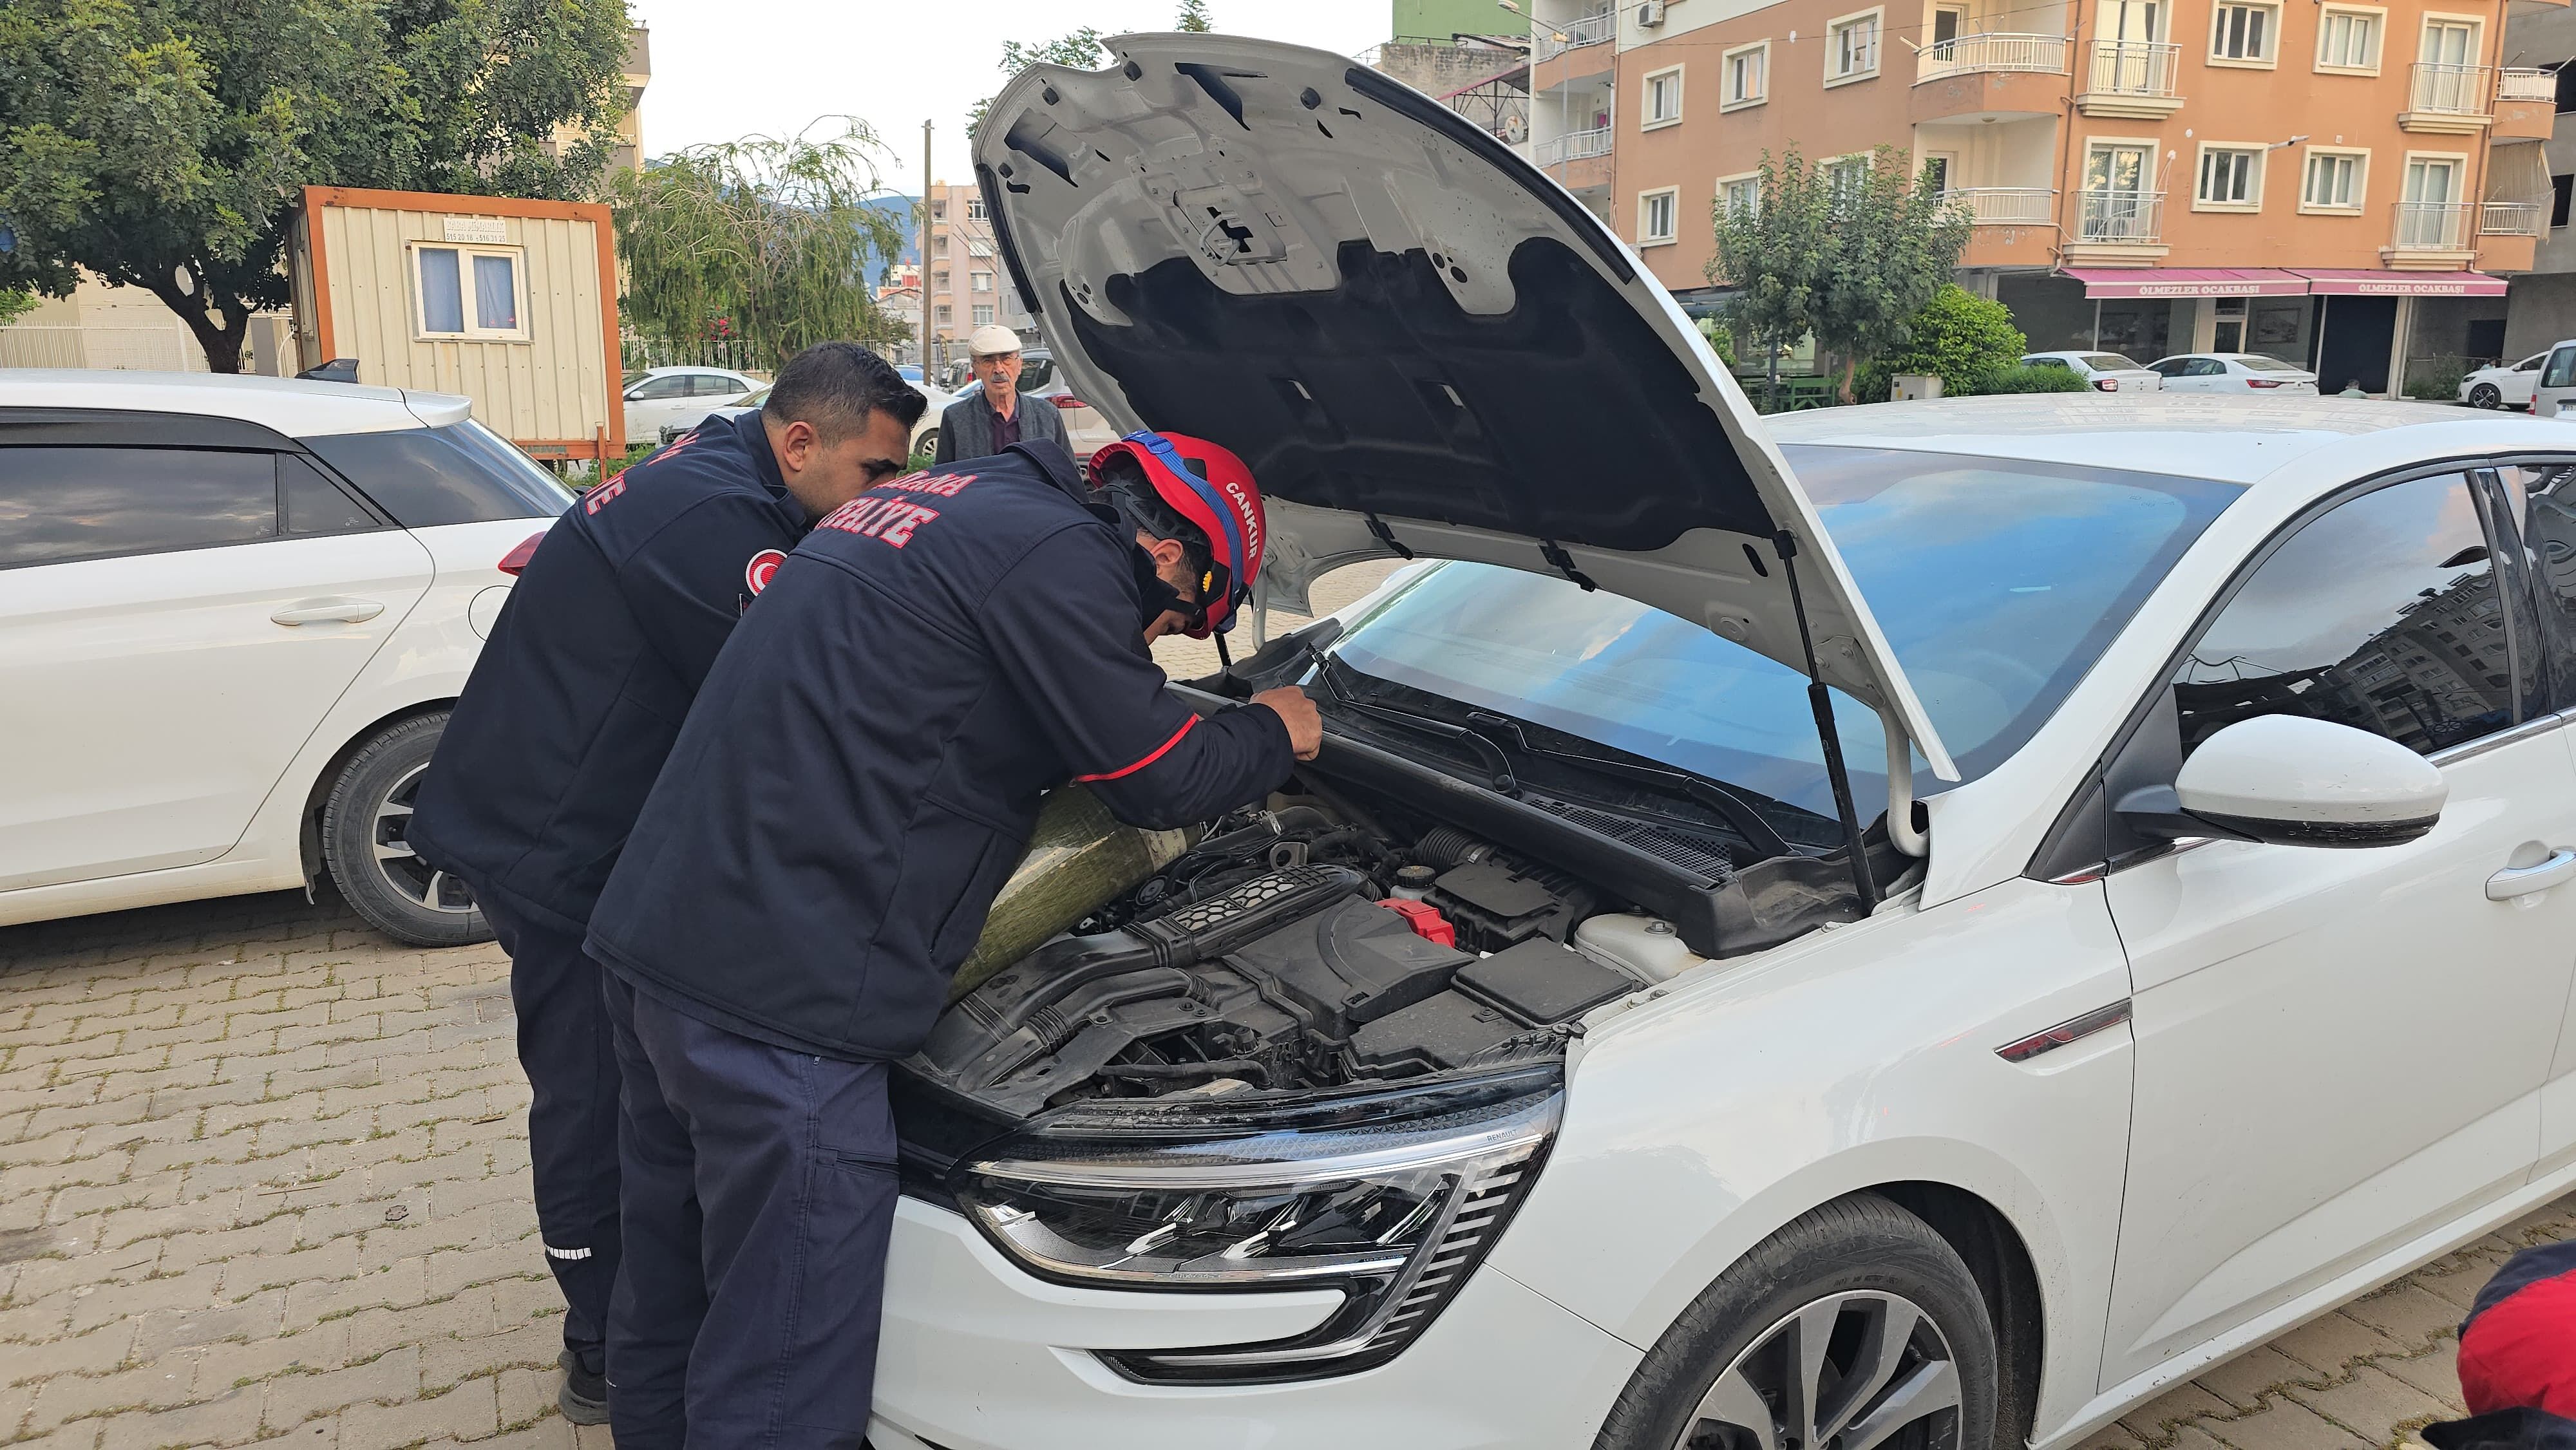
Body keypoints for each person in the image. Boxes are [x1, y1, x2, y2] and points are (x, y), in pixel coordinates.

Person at [583, 431, 1321, 1449]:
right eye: (1182, 618)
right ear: (1170, 556)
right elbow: (1157, 775)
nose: (1156, 640)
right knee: (783, 1359)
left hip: (659, 937)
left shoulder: (957, 497)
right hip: (781, 1003)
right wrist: (1277, 730)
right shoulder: (1061, 562)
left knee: (670, 1276)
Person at [401, 343, 923, 1425]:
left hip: (575, 823)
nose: (890, 493)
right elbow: (797, 697)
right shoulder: (716, 524)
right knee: (591, 1096)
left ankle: (632, 1320)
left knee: (622, 1100)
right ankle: (598, 1338)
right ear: (800, 442)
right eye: (877, 472)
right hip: (553, 849)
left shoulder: (733, 473)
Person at [931, 324, 1066, 462]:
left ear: (1019, 365)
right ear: (975, 368)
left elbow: (1068, 474)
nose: (999, 369)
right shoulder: (956, 418)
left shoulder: (1047, 415)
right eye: (988, 361)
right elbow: (944, 477)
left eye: (1006, 359)